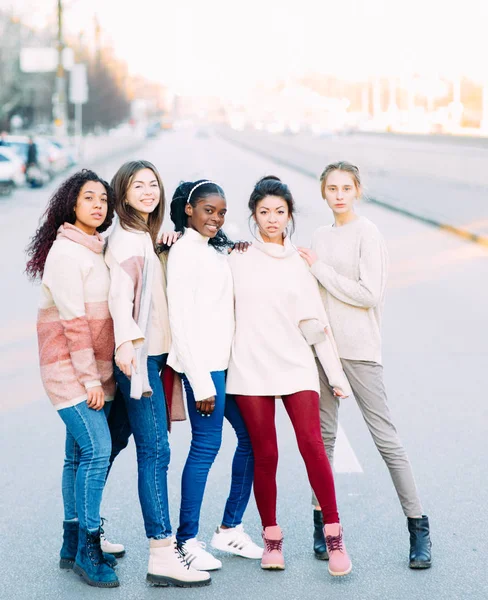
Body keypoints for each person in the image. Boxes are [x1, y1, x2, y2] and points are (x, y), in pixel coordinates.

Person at [297, 161, 432, 569]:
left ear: (357, 190)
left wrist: (319, 267)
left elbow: (369, 294)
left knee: (386, 440)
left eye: (346, 188)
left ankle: (418, 527)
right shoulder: (320, 235)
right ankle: (323, 526)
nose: (339, 194)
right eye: (332, 188)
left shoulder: (367, 233)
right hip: (323, 349)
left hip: (359, 349)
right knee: (323, 443)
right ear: (323, 192)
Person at [226, 176, 353, 577]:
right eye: (264, 212)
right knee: (266, 454)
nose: (272, 219)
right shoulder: (237, 256)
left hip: (296, 365)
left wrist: (334, 374)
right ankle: (272, 539)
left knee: (312, 445)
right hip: (250, 367)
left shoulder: (300, 261)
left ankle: (334, 537)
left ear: (290, 215)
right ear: (253, 216)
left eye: (279, 212)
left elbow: (315, 324)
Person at [105, 160, 209, 587]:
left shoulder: (144, 238)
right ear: (123, 193)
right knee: (156, 452)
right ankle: (162, 552)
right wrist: (128, 346)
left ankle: (80, 534)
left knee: (106, 445)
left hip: (152, 357)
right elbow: (118, 297)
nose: (148, 191)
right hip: (141, 360)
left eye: (153, 184)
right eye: (137, 185)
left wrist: (164, 247)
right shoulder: (128, 242)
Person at [26, 170, 119, 588]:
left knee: (77, 457)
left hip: (90, 373)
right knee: (98, 451)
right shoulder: (68, 253)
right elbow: (75, 324)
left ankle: (70, 544)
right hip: (71, 373)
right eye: (89, 198)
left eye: (103, 199)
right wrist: (92, 381)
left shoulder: (94, 248)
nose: (98, 205)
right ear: (72, 205)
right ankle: (88, 548)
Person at [166, 180, 262, 572]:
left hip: (227, 365)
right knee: (205, 448)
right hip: (203, 368)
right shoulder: (183, 253)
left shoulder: (212, 249)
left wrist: (231, 245)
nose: (216, 218)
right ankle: (185, 540)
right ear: (189, 209)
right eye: (208, 210)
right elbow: (180, 322)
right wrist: (201, 380)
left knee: (253, 439)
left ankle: (228, 528)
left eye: (221, 212)